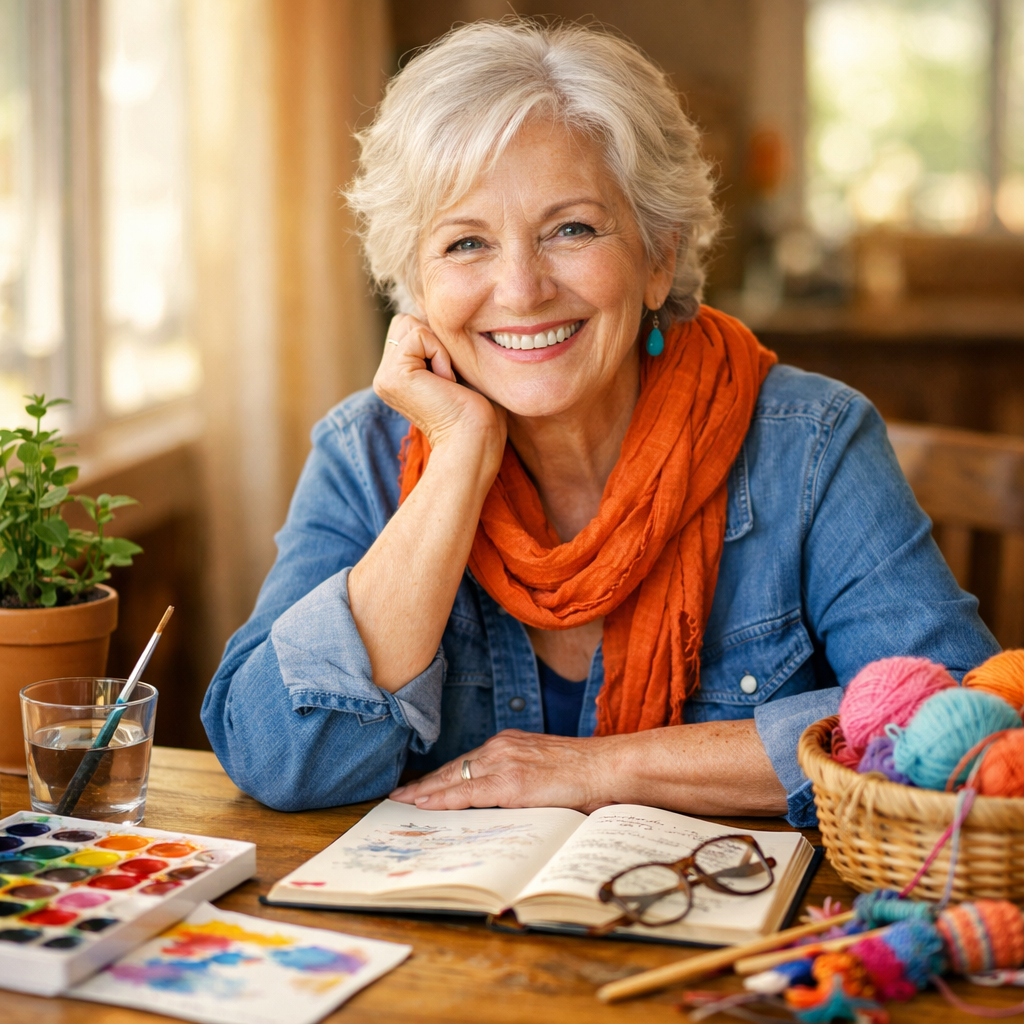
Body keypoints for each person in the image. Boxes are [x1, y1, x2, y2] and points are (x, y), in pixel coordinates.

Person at [201, 20, 998, 827]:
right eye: (466, 242)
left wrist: (604, 769)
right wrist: (458, 463)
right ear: (415, 285)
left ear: (658, 257)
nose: (520, 288)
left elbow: (958, 731)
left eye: (571, 229)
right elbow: (276, 757)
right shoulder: (363, 454)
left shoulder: (812, 443)